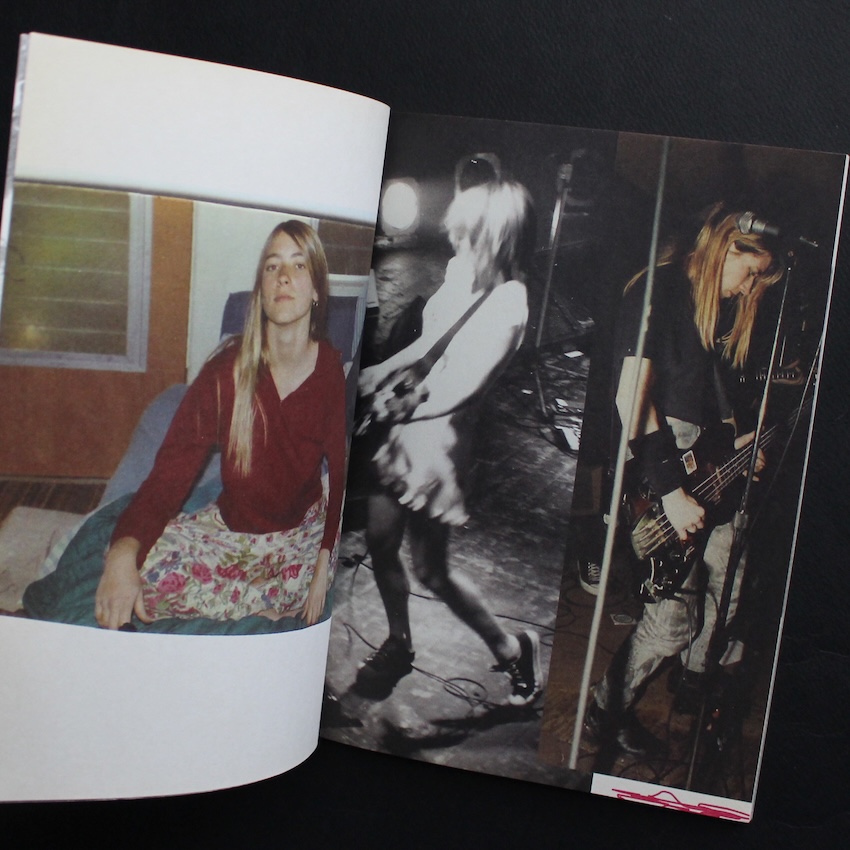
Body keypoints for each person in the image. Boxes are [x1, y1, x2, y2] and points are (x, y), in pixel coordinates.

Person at [585, 203, 784, 754]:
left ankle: (695, 679)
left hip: (705, 471)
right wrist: (671, 491)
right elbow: (632, 399)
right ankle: (604, 711)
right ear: (728, 245)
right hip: (660, 479)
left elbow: (699, 401)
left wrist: (736, 445)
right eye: (750, 272)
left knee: (729, 582)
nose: (749, 288)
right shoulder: (661, 290)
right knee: (670, 623)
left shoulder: (713, 308)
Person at [95, 220, 347, 630]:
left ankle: (259, 603)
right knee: (141, 573)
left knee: (342, 577)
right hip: (233, 531)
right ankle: (259, 607)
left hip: (301, 536)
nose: (283, 276)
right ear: (261, 291)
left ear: (317, 290)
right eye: (272, 266)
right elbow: (169, 476)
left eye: (299, 265)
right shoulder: (224, 372)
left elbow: (340, 473)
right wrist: (123, 553)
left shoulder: (331, 372)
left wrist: (322, 564)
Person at [354, 175, 543, 706]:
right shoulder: (463, 271)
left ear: (495, 237)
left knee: (432, 572)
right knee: (380, 541)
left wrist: (396, 407)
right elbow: (430, 342)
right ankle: (399, 642)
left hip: (441, 444)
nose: (455, 241)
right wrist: (382, 372)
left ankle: (512, 648)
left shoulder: (510, 304)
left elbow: (462, 388)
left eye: (466, 233)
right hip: (407, 424)